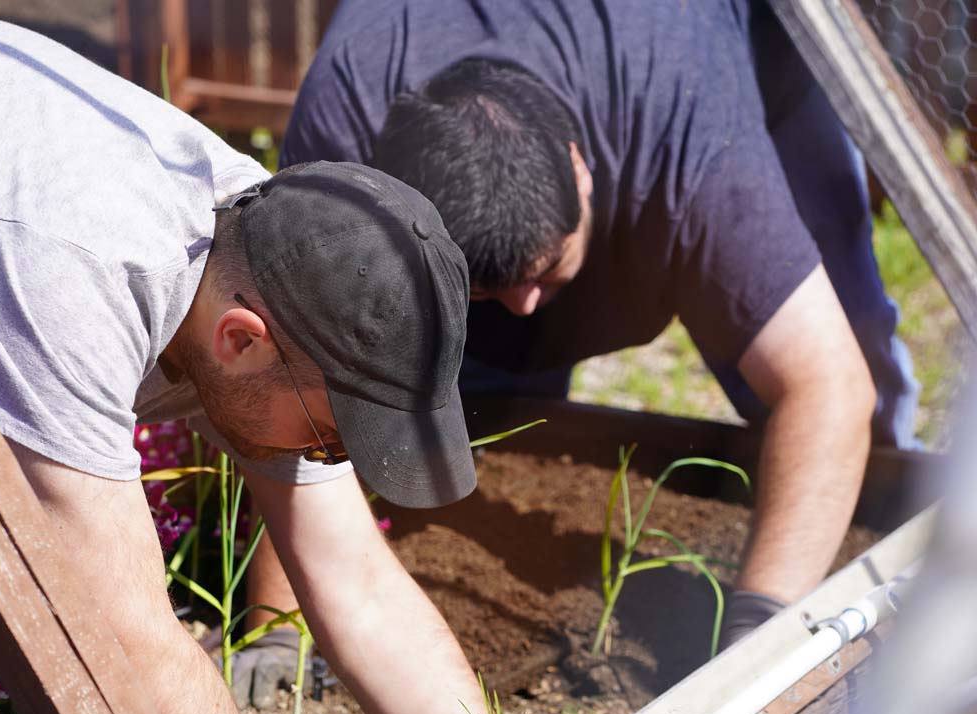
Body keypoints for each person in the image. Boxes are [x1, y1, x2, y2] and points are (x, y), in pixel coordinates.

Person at [0, 3, 525, 714]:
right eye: (334, 438)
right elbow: (125, 640)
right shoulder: (67, 276)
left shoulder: (272, 255)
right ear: (242, 341)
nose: (328, 459)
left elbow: (359, 588)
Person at [273, 0, 920, 649]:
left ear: (581, 170)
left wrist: (758, 638)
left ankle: (894, 517)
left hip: (719, 47)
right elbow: (296, 372)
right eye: (488, 288)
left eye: (545, 268)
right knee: (482, 392)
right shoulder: (345, 130)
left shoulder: (689, 143)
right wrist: (277, 621)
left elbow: (827, 384)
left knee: (837, 335)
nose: (524, 306)